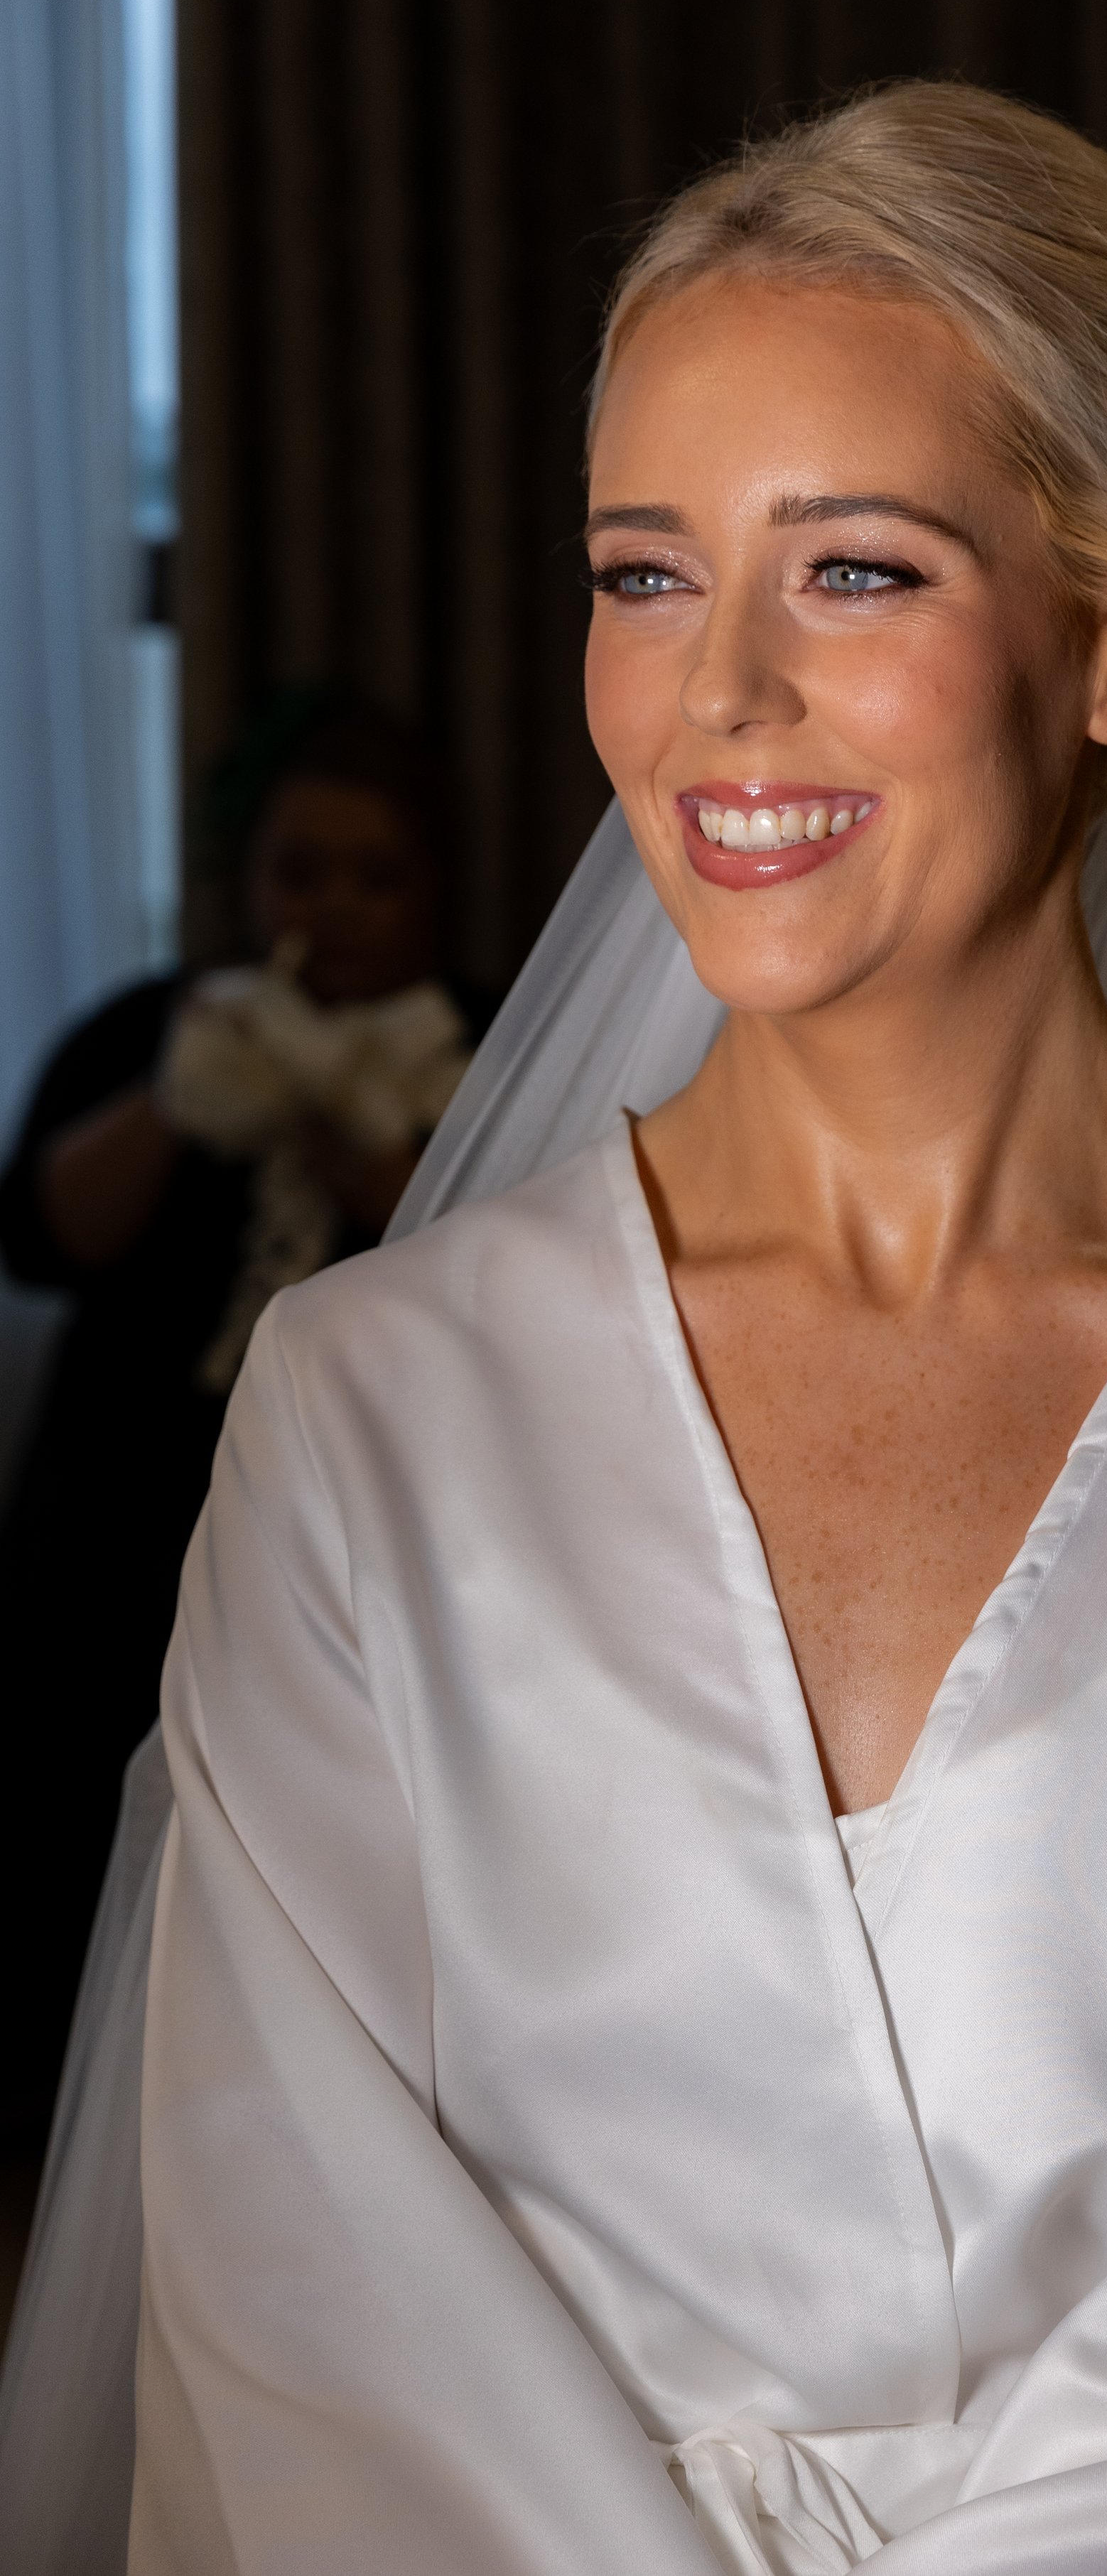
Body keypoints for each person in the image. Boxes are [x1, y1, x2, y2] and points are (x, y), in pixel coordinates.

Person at [1, 86, 1107, 2576]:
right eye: (644, 573)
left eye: (851, 569)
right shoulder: (372, 1410)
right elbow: (305, 2310)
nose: (716, 692)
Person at [0, 698, 489, 2148]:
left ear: (433, 887)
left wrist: (374, 1166)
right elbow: (41, 1235)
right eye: (298, 871)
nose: (330, 908)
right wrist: (180, 1094)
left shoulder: (488, 1041)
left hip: (373, 1534)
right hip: (121, 1510)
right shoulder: (154, 1021)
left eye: (374, 876)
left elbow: (521, 1302)